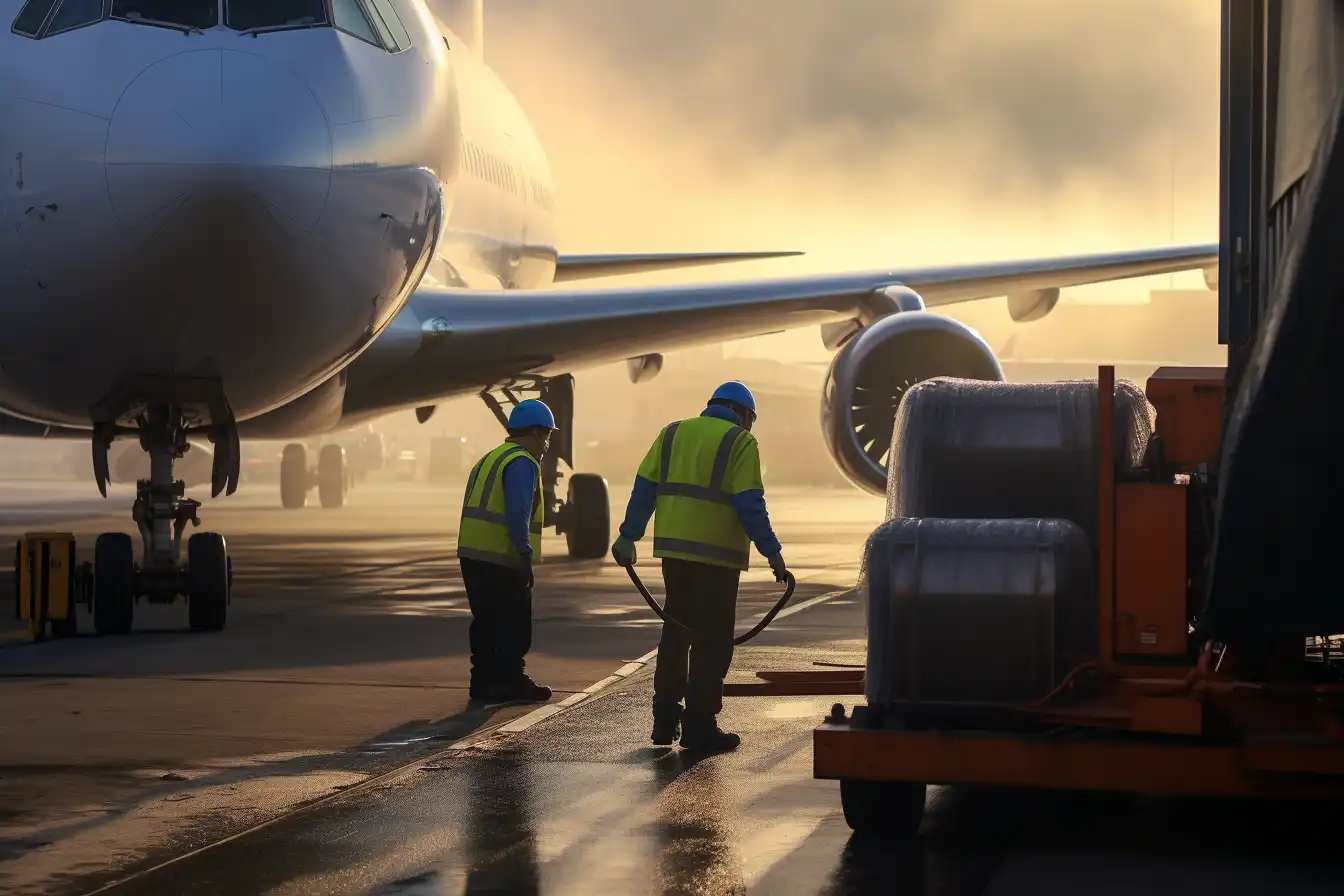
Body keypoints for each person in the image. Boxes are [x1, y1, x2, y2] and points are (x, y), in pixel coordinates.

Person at [611, 381, 788, 752]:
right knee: (712, 643)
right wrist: (772, 552)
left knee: (676, 633)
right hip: (718, 559)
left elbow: (644, 488)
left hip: (675, 555)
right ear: (743, 415)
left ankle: (664, 720)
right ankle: (700, 726)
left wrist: (629, 536)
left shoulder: (673, 433)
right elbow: (749, 504)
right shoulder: (740, 442)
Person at [457, 399, 556, 704]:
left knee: (486, 620)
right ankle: (512, 680)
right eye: (548, 434)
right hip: (503, 556)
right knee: (514, 622)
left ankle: (483, 682)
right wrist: (524, 555)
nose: (548, 442)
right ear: (537, 433)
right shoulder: (523, 462)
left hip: (472, 553)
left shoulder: (491, 457)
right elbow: (518, 513)